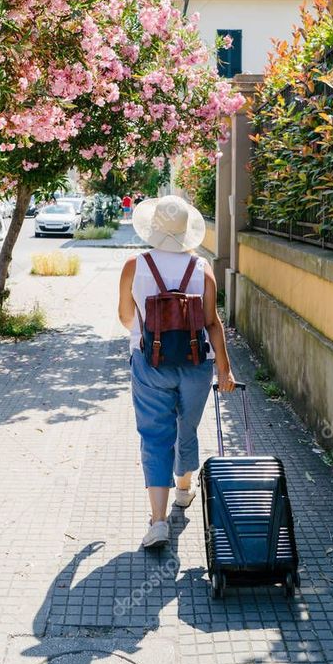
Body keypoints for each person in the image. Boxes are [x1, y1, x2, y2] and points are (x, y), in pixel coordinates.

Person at [118, 195, 236, 548]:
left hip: (149, 364)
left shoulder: (134, 265)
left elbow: (125, 316)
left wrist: (148, 332)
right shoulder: (202, 269)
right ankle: (184, 490)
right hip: (196, 364)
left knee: (155, 436)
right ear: (187, 231)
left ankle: (158, 522)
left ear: (154, 228)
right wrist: (225, 372)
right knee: (187, 427)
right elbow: (213, 324)